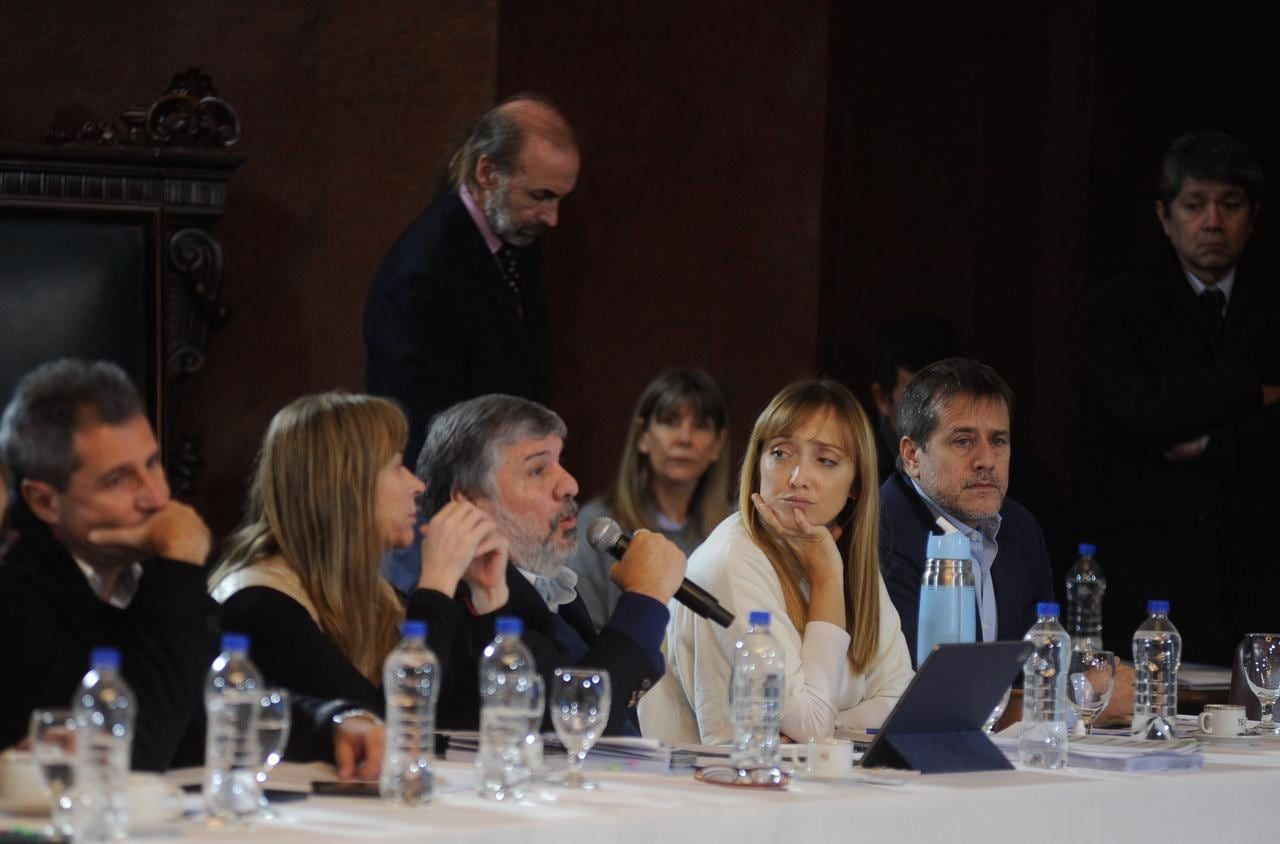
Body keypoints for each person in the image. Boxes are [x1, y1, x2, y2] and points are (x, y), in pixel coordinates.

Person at [0, 361, 383, 777]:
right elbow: (130, 757)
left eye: (152, 464)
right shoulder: (15, 592)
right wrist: (179, 565)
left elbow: (205, 706)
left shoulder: (141, 569)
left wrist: (330, 722)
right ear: (43, 501)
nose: (155, 496)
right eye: (117, 480)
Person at [1082, 129, 1280, 664]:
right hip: (1153, 576)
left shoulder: (1273, 303)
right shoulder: (1118, 307)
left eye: (1230, 204)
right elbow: (1139, 410)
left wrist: (1213, 445)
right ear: (1165, 217)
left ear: (1253, 215)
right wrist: (1251, 391)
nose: (1213, 221)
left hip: (1260, 571)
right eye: (1195, 205)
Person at [639, 379, 913, 744]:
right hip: (711, 790)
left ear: (856, 487)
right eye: (781, 454)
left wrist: (822, 728)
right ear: (758, 464)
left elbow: (900, 700)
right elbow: (811, 726)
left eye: (826, 460)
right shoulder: (733, 560)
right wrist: (827, 579)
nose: (798, 478)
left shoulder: (837, 550)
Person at [209, 392, 509, 715]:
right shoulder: (259, 602)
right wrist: (435, 586)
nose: (417, 485)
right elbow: (381, 726)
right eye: (396, 466)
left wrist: (486, 598)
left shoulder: (373, 592)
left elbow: (456, 720)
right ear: (344, 487)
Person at [416, 394, 688, 736]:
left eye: (561, 462)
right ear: (469, 500)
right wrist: (644, 599)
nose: (569, 485)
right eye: (538, 469)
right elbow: (565, 721)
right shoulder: (461, 602)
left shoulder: (552, 587)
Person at [364, 94, 579, 463]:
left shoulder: (516, 234)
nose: (552, 217)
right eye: (540, 196)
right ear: (487, 173)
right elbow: (423, 431)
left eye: (559, 198)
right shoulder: (421, 275)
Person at [879, 358, 1056, 665]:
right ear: (912, 456)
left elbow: (1043, 665)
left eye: (998, 440)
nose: (986, 460)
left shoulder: (1022, 528)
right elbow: (917, 686)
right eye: (964, 441)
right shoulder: (881, 529)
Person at [568, 369, 730, 631]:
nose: (684, 438)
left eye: (701, 426)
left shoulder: (732, 530)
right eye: (670, 422)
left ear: (717, 445)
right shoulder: (601, 526)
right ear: (643, 436)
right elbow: (585, 633)